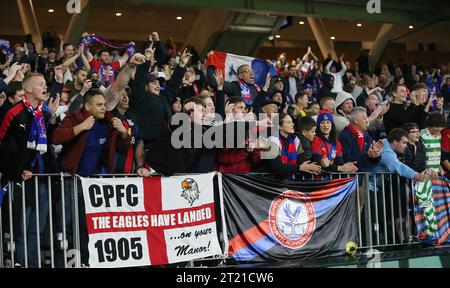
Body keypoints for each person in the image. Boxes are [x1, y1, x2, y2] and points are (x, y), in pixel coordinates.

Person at [51, 90, 131, 266]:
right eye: (99, 105)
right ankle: (62, 263)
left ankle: (84, 261)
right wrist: (80, 127)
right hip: (70, 181)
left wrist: (124, 133)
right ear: (88, 106)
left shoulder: (109, 122)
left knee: (87, 225)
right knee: (66, 224)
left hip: (92, 184)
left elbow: (121, 146)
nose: (104, 108)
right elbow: (55, 137)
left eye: (104, 104)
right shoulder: (74, 117)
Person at [0, 72, 60, 267]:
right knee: (20, 226)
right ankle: (20, 261)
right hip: (19, 178)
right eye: (40, 84)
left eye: (45, 84)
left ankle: (33, 263)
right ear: (27, 89)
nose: (45, 87)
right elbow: (3, 146)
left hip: (42, 177)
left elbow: (49, 143)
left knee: (38, 227)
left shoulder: (44, 112)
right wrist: (18, 172)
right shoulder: (14, 112)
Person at [263, 113, 322, 180]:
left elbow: (302, 160)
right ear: (279, 126)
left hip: (288, 181)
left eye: (292, 122)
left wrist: (312, 166)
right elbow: (277, 167)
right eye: (289, 122)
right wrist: (299, 168)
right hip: (269, 183)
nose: (293, 124)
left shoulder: (295, 140)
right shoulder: (271, 141)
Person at [339, 107, 383, 172]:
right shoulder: (345, 136)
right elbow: (346, 159)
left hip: (365, 177)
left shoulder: (366, 135)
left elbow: (373, 161)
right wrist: (367, 155)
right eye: (364, 118)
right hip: (350, 178)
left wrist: (376, 154)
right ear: (356, 121)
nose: (367, 121)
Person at [419, 112, 446, 176]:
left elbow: (436, 154)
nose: (439, 129)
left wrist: (440, 167)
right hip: (424, 173)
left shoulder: (439, 135)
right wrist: (427, 169)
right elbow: (419, 156)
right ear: (430, 124)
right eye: (437, 126)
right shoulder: (421, 135)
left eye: (441, 127)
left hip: (436, 173)